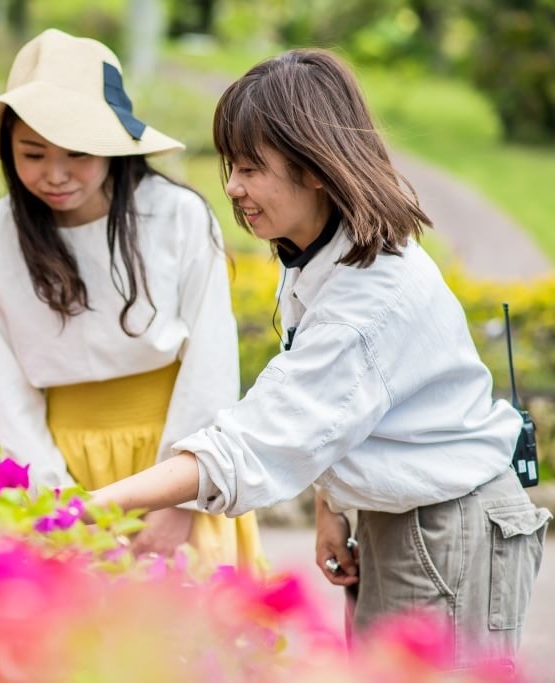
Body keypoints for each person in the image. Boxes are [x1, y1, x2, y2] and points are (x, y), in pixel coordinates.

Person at [88, 48, 551, 669]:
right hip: (404, 518)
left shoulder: (371, 296)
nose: (232, 187)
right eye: (231, 166)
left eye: (250, 168)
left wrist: (82, 510)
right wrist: (334, 508)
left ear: (314, 168)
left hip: (448, 524)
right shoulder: (317, 250)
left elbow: (253, 443)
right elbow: (344, 411)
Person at [0, 28, 263, 571]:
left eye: (78, 152)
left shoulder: (177, 217)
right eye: (32, 153)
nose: (55, 174)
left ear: (116, 146)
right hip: (59, 466)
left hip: (176, 460)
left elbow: (210, 365)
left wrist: (178, 499)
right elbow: (9, 390)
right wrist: (55, 504)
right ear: (7, 150)